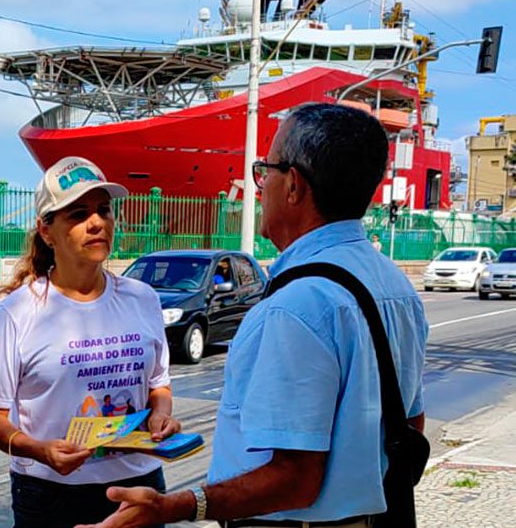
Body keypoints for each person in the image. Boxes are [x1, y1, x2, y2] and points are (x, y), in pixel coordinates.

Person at [83, 103, 429, 527]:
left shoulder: (296, 307)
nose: (259, 186)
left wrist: (178, 505)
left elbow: (296, 479)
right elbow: (411, 424)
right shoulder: (395, 287)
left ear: (294, 186)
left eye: (266, 170)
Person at [0, 156, 182, 528]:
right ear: (46, 231)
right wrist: (38, 449)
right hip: (50, 494)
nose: (97, 222)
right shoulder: (16, 313)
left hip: (138, 484)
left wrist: (162, 414)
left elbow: (158, 386)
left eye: (104, 210)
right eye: (78, 214)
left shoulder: (143, 299)